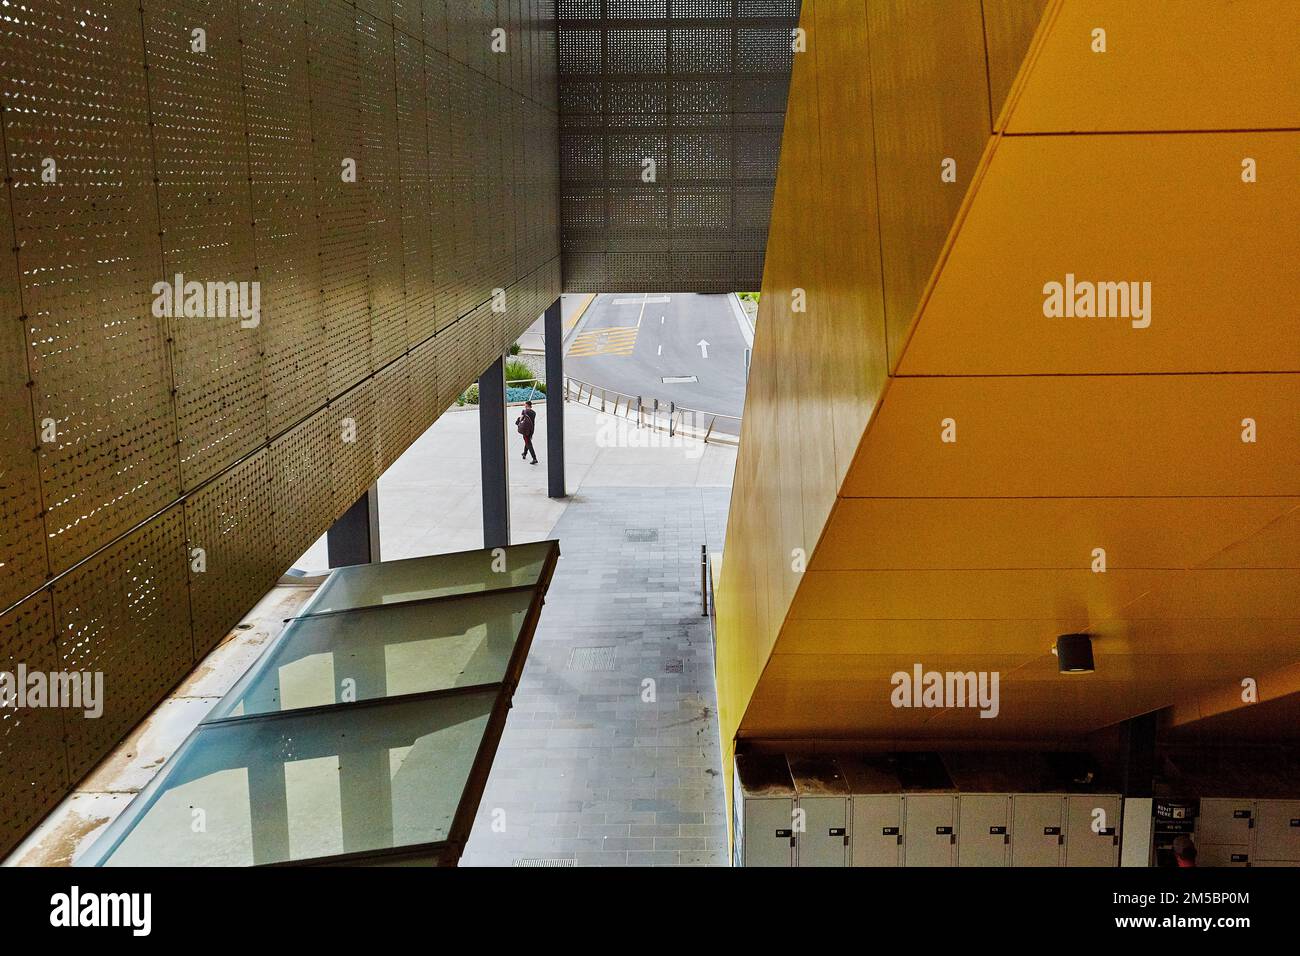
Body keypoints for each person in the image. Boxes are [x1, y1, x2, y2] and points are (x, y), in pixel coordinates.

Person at [515, 400, 538, 465]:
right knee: (527, 441)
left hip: (525, 430)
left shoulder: (524, 411)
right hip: (531, 429)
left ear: (527, 405)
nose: (524, 405)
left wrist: (518, 420)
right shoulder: (534, 412)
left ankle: (534, 458)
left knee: (528, 443)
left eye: (525, 404)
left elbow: (521, 419)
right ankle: (524, 453)